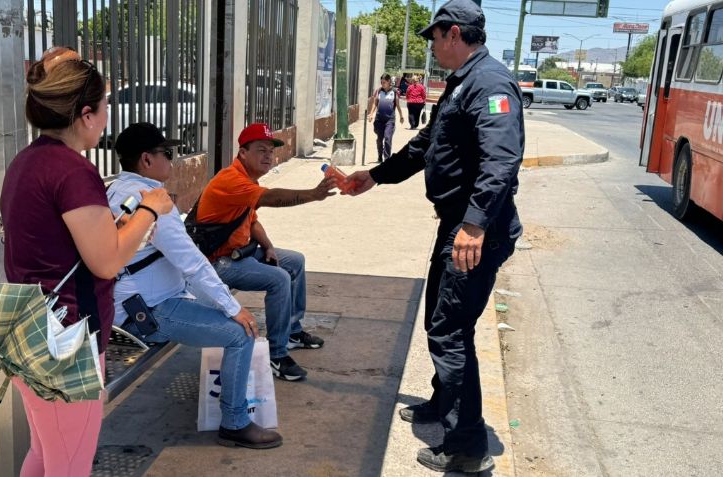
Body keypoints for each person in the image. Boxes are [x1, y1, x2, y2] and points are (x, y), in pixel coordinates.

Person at [345, 0, 523, 473]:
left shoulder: (490, 83)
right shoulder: (464, 82)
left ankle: (467, 447)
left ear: (453, 34)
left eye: (434, 36)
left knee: (450, 329)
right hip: (458, 224)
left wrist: (474, 225)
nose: (431, 45)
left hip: (476, 231)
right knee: (437, 318)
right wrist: (376, 176)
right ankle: (444, 406)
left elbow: (501, 161)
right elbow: (428, 144)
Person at [0, 47, 175, 476]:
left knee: (45, 456)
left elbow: (61, 245)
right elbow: (107, 261)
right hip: (68, 343)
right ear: (86, 114)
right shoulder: (72, 171)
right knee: (69, 465)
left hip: (32, 331)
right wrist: (150, 209)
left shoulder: (27, 162)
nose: (108, 116)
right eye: (105, 107)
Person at [106, 122, 282, 449]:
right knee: (241, 332)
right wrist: (234, 308)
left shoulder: (117, 190)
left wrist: (218, 302)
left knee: (225, 314)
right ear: (146, 159)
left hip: (136, 303)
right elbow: (192, 261)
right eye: (166, 153)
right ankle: (235, 422)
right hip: (146, 312)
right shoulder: (152, 201)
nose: (172, 160)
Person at [193, 123, 336, 381]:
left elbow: (252, 220)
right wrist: (313, 195)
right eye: (261, 150)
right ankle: (277, 355)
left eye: (271, 150)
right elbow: (271, 198)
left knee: (294, 261)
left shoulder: (247, 180)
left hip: (240, 253)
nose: (268, 156)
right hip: (217, 262)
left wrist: (268, 246)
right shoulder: (232, 180)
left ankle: (291, 331)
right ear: (243, 153)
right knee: (279, 279)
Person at [367, 74, 404, 163]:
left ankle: (387, 159)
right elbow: (375, 103)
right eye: (381, 82)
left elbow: (398, 105)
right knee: (380, 139)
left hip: (390, 120)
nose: (382, 84)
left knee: (387, 138)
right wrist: (371, 114)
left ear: (389, 82)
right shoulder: (379, 91)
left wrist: (401, 116)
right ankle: (380, 155)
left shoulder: (395, 92)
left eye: (384, 82)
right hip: (379, 119)